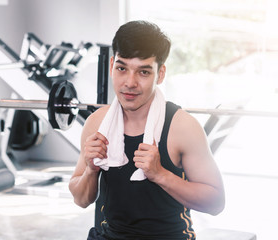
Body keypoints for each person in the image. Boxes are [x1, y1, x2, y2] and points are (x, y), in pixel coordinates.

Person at [69, 20, 225, 240]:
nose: (130, 83)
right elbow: (80, 199)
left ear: (160, 74)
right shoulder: (97, 123)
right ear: (112, 65)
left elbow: (216, 202)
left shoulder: (182, 127)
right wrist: (91, 170)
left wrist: (160, 174)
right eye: (122, 68)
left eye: (143, 72)